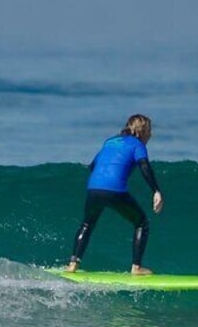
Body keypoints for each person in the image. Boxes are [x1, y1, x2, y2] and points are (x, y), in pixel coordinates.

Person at [65, 113, 164, 275]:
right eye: (149, 131)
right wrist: (156, 191)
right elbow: (144, 166)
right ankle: (136, 267)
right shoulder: (137, 144)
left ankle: (72, 265)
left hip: (94, 187)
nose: (151, 135)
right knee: (141, 223)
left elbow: (92, 166)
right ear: (141, 131)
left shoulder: (109, 142)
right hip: (114, 188)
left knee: (87, 224)